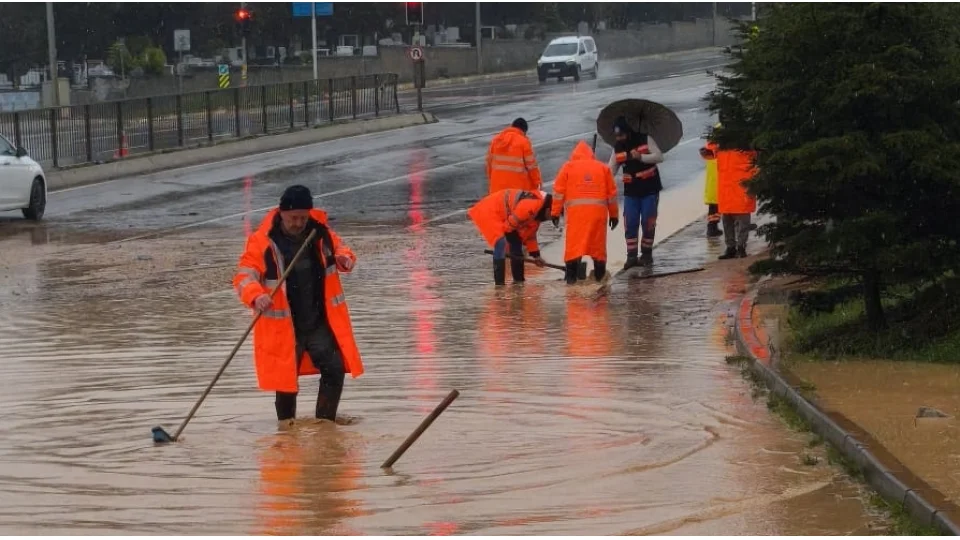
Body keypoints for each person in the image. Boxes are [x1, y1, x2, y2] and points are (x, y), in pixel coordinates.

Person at [233, 184, 365, 423]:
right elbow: (244, 276)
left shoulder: (320, 233)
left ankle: (325, 424)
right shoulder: (262, 242)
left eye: (303, 217)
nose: (298, 223)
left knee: (334, 370)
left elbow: (342, 248)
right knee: (286, 381)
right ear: (282, 212)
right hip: (285, 327)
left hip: (317, 322)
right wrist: (256, 295)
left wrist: (345, 258)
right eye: (293, 218)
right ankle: (286, 426)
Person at [551, 140, 619, 285]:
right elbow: (612, 195)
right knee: (597, 248)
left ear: (575, 154)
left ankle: (571, 282)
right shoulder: (603, 168)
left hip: (576, 217)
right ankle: (600, 278)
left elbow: (558, 192)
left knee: (574, 248)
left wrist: (555, 213)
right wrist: (614, 215)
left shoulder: (568, 167)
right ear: (591, 155)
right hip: (598, 216)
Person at [606, 115, 664, 269]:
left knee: (648, 221)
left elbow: (659, 157)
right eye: (617, 136)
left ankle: (646, 254)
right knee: (630, 223)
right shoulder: (617, 148)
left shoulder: (645, 139)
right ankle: (631, 256)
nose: (619, 139)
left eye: (621, 135)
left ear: (628, 132)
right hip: (631, 192)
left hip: (650, 189)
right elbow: (610, 170)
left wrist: (641, 157)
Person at [467, 188, 553, 285]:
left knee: (516, 247)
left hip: (502, 214)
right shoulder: (530, 206)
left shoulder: (538, 214)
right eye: (552, 217)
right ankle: (499, 285)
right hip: (489, 210)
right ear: (548, 210)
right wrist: (516, 247)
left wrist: (536, 256)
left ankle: (518, 282)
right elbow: (508, 228)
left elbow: (530, 236)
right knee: (500, 242)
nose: (550, 219)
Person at [715, 142, 758, 259]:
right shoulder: (722, 140)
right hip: (727, 184)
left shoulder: (745, 139)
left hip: (741, 183)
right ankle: (731, 248)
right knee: (727, 218)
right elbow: (711, 150)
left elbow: (757, 152)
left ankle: (740, 247)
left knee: (742, 216)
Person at [485, 118, 542, 194]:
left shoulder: (496, 140)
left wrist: (492, 181)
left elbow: (489, 164)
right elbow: (532, 167)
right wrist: (537, 183)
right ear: (524, 131)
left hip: (496, 189)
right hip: (516, 191)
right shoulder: (523, 142)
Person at [699, 125, 724, 238]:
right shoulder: (719, 149)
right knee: (722, 203)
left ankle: (712, 227)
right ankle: (713, 227)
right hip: (721, 178)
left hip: (712, 181)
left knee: (713, 204)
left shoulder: (710, 148)